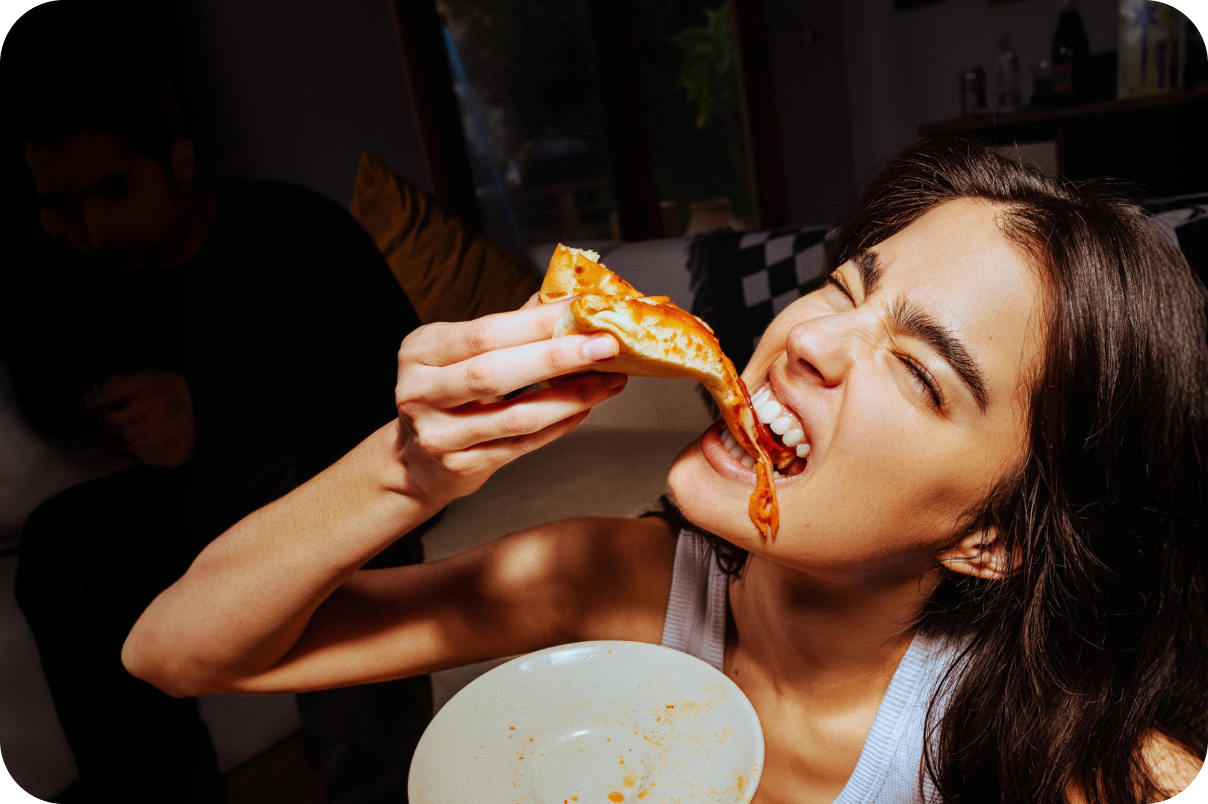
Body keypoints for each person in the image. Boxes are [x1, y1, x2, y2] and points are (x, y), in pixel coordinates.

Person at [122, 139, 1207, 803]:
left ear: (991, 536)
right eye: (841, 286)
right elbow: (172, 652)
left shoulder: (1067, 762)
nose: (810, 341)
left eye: (917, 372)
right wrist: (406, 470)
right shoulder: (619, 583)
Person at [7, 11, 434, 803]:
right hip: (185, 504)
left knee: (343, 548)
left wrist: (211, 410)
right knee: (62, 546)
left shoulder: (295, 228)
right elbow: (46, 390)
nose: (90, 226)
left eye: (111, 190)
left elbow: (406, 394)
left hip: (322, 476)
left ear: (178, 162)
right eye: (61, 204)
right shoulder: (63, 267)